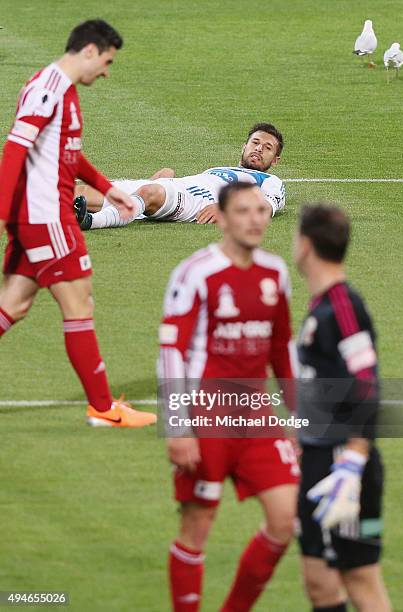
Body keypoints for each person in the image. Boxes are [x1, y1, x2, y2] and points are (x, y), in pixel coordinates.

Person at [0, 19, 156, 428]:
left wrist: (108, 187)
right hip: (46, 217)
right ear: (89, 50)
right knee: (79, 303)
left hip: (40, 216)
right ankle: (103, 408)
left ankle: (103, 407)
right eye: (106, 61)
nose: (106, 71)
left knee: (11, 304)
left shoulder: (62, 91)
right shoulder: (46, 89)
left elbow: (68, 155)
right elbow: (14, 152)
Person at [158, 182, 299, 611]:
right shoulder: (195, 272)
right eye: (243, 211)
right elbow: (172, 349)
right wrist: (178, 426)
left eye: (260, 210)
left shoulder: (275, 273)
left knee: (285, 520)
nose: (255, 219)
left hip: (256, 414)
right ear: (220, 217)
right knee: (197, 529)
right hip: (207, 415)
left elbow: (282, 351)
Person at [293, 204, 391, 611]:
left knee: (360, 580)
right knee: (319, 582)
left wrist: (353, 460)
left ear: (306, 245)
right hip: (319, 457)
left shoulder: (343, 306)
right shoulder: (323, 306)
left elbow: (367, 381)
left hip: (341, 465)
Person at [74, 122, 286, 229]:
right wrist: (162, 179)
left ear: (275, 160)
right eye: (255, 143)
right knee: (80, 192)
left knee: (149, 193)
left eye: (267, 148)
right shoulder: (218, 169)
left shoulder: (270, 181)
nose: (258, 149)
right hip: (173, 187)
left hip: (195, 201)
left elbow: (266, 207)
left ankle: (91, 222)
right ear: (244, 146)